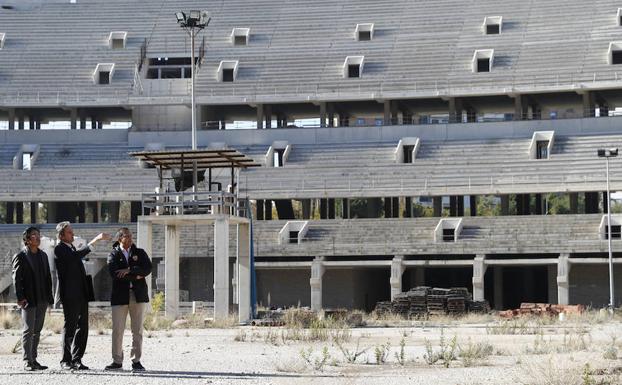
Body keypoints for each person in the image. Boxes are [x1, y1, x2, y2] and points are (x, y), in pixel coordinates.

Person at [54, 221, 110, 370]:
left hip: (81, 294)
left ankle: (77, 359)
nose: (72, 234)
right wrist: (95, 240)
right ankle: (65, 360)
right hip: (70, 296)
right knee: (70, 327)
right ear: (61, 236)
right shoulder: (59, 249)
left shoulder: (71, 247)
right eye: (69, 232)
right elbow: (75, 257)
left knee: (82, 327)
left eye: (72, 231)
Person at [104, 227, 152, 372]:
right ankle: (117, 361)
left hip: (137, 295)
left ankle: (136, 361)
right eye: (127, 236)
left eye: (131, 236)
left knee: (137, 330)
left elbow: (147, 269)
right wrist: (137, 275)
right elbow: (115, 274)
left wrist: (129, 270)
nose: (130, 238)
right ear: (120, 239)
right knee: (118, 330)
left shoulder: (139, 252)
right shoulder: (112, 254)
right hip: (120, 296)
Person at [12, 227, 54, 371]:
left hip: (42, 298)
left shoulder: (43, 255)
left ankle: (34, 359)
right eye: (34, 235)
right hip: (28, 299)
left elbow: (48, 277)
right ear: (27, 240)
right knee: (28, 330)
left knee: (37, 330)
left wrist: (50, 298)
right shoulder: (21, 256)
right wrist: (20, 297)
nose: (38, 237)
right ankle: (27, 361)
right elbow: (16, 279)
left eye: (38, 235)